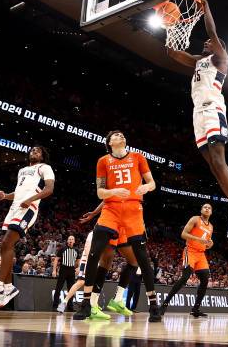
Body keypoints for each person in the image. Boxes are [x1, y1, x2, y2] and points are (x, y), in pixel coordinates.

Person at [166, 0, 228, 239]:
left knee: (218, 159)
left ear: (219, 48)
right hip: (198, 113)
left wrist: (206, 8)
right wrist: (170, 23)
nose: (207, 43)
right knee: (213, 166)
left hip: (213, 109)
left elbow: (212, 31)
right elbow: (172, 53)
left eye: (211, 43)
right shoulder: (198, 62)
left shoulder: (220, 59)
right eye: (205, 42)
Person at [75, 130, 161, 322]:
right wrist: (113, 191)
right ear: (109, 143)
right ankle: (87, 305)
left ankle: (154, 306)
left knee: (141, 259)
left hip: (133, 211)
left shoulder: (138, 157)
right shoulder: (103, 161)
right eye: (116, 135)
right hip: (111, 210)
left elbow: (152, 183)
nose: (121, 136)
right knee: (95, 255)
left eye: (123, 134)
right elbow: (100, 192)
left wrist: (146, 187)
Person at [0, 146, 55, 308]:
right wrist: (6, 196)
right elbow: (18, 191)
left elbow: (49, 189)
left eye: (38, 151)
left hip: (28, 208)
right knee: (4, 245)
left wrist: (31, 199)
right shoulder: (22, 170)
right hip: (14, 207)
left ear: (42, 156)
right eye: (32, 150)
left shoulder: (44, 168)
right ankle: (8, 287)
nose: (34, 152)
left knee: (6, 243)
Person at [60, 206, 138, 318]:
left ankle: (93, 305)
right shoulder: (95, 233)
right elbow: (89, 251)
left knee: (88, 280)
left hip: (93, 259)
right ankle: (66, 302)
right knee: (81, 282)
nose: (71, 241)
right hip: (88, 260)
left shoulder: (104, 231)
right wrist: (90, 263)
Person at [160, 203, 214, 317]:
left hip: (201, 255)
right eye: (205, 207)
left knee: (205, 280)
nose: (207, 209)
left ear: (211, 212)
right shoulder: (195, 219)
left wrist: (210, 244)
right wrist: (198, 239)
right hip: (190, 251)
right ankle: (164, 304)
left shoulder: (211, 226)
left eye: (209, 208)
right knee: (184, 278)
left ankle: (195, 309)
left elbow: (207, 242)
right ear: (201, 210)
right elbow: (183, 234)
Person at [52, 235, 78, 310]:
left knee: (71, 289)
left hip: (72, 270)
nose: (70, 240)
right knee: (58, 288)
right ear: (67, 241)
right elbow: (56, 259)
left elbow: (78, 261)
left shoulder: (76, 250)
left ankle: (70, 307)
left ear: (74, 241)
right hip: (63, 269)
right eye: (69, 239)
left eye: (72, 239)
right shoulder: (62, 249)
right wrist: (54, 270)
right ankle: (55, 306)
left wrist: (77, 268)